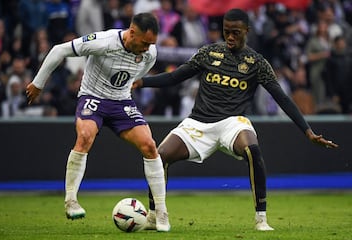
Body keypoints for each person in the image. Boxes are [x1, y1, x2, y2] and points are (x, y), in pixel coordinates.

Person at [133, 9, 338, 231]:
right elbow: (174, 77)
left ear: (247, 31)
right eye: (226, 32)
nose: (230, 37)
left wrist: (307, 131)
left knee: (252, 148)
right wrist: (142, 82)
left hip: (232, 122)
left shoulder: (257, 63)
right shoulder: (208, 53)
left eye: (236, 33)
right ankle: (156, 216)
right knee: (159, 155)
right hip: (198, 123)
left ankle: (261, 219)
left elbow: (281, 97)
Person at [26, 12, 170, 232]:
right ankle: (71, 200)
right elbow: (59, 50)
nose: (147, 48)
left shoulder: (150, 53)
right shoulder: (103, 42)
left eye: (151, 44)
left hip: (121, 102)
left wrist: (126, 84)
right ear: (132, 32)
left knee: (150, 146)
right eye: (144, 42)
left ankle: (160, 213)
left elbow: (134, 74)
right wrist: (38, 84)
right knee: (85, 137)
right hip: (93, 97)